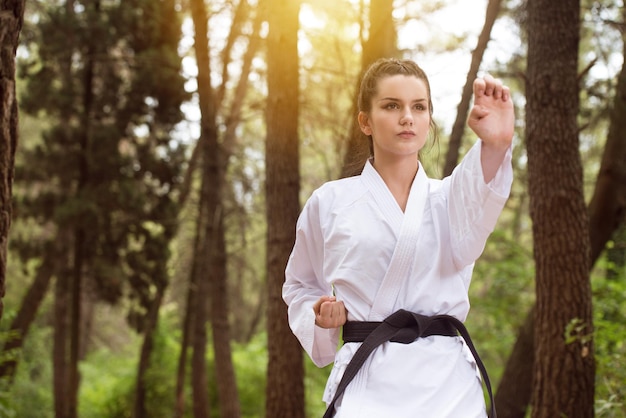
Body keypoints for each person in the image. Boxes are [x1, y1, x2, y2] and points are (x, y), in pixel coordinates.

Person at [283, 57, 514, 418]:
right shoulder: (330, 202)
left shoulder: (449, 198)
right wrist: (320, 317)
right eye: (392, 106)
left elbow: (480, 187)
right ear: (365, 121)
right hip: (367, 378)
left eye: (418, 107)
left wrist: (497, 144)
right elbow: (299, 285)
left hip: (447, 387)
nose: (407, 117)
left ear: (428, 119)